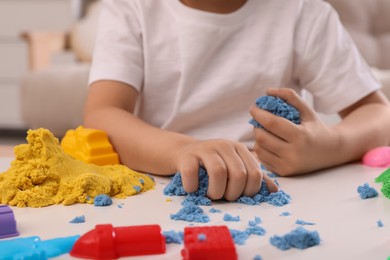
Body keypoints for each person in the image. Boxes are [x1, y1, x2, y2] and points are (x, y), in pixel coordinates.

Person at [84, 0, 390, 201]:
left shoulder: (303, 11)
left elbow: (378, 113)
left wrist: (330, 146)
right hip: (165, 187)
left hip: (284, 191)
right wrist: (183, 150)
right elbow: (102, 113)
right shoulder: (131, 7)